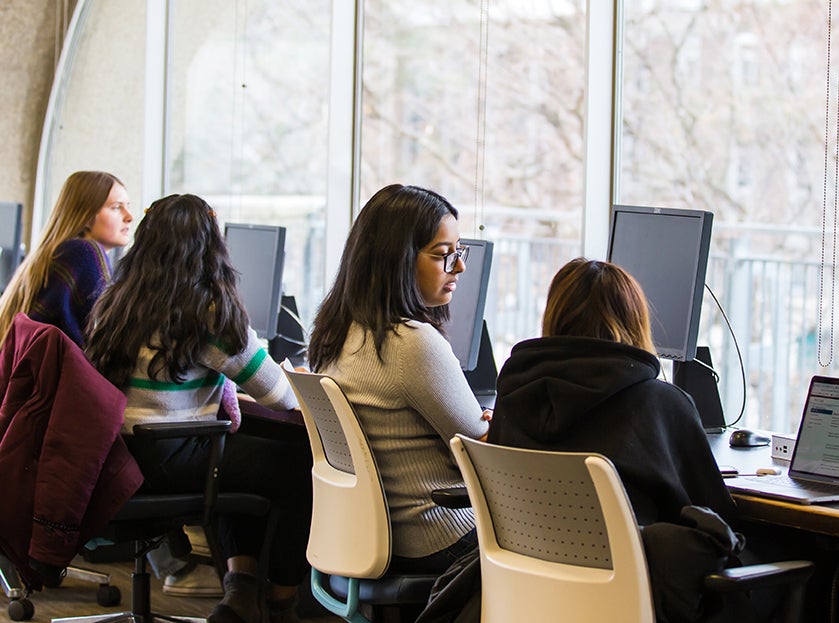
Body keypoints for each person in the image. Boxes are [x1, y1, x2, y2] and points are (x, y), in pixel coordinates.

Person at [84, 193, 312, 623]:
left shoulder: (116, 301)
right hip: (170, 456)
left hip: (118, 455)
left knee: (239, 450)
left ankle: (241, 589)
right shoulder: (207, 309)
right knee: (300, 463)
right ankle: (282, 601)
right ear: (211, 245)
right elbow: (279, 396)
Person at [307, 183, 490, 575]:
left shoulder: (337, 331)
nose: (459, 267)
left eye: (459, 253)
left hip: (374, 534)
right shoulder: (411, 343)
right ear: (398, 261)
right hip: (438, 533)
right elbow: (485, 452)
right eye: (444, 255)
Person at [0, 170, 131, 348]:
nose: (129, 217)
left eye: (128, 206)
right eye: (116, 207)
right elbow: (103, 342)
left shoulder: (53, 254)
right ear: (86, 214)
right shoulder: (84, 253)